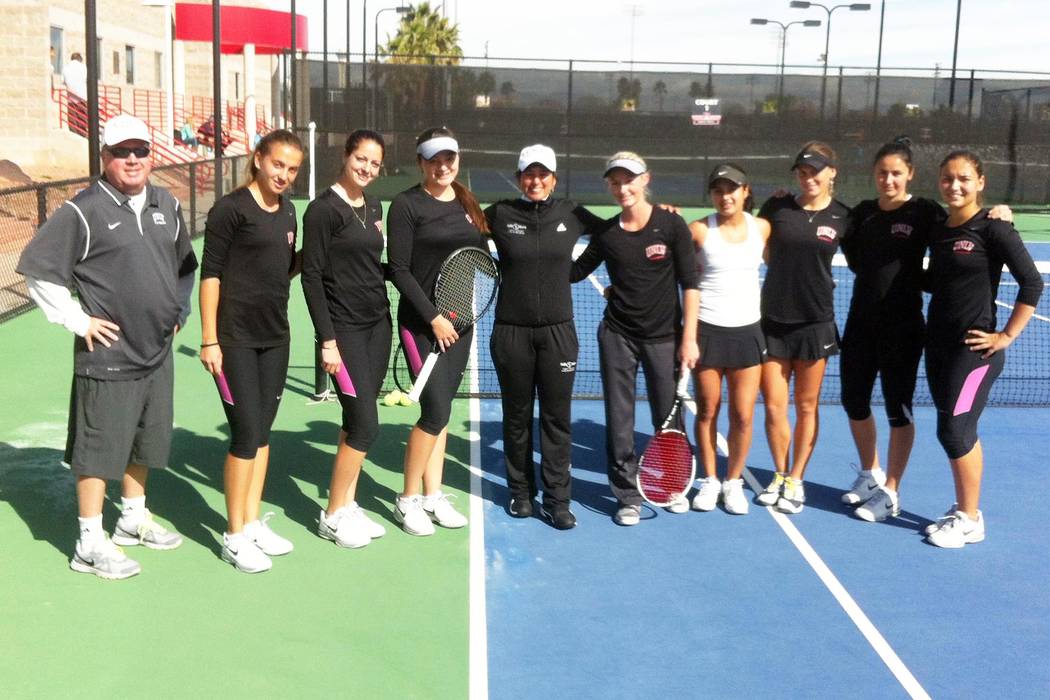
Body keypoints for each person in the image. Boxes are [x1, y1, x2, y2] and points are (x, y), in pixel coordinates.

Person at [17, 114, 197, 579]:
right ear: (105, 157)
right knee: (98, 449)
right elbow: (37, 269)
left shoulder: (167, 204)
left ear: (152, 155)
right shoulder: (84, 210)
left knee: (145, 438)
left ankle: (133, 519)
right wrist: (77, 320)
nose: (133, 159)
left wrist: (180, 311)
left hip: (156, 353)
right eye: (122, 152)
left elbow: (184, 267)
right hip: (109, 357)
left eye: (140, 150)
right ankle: (89, 542)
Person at [572, 152, 700, 526]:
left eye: (629, 179)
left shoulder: (672, 225)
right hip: (618, 337)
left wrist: (689, 338)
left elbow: (690, 283)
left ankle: (673, 484)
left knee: (668, 417)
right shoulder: (608, 234)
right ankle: (627, 496)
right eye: (615, 181)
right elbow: (577, 271)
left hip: (665, 338)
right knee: (620, 419)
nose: (622, 187)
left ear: (645, 179)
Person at [922, 150, 1041, 548]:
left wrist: (1005, 336)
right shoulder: (938, 229)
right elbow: (939, 283)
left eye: (963, 179)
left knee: (956, 431)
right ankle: (963, 508)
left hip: (974, 355)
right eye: (947, 179)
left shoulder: (994, 229)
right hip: (937, 347)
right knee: (953, 431)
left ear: (980, 183)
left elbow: (1032, 284)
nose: (954, 186)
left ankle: (971, 519)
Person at [199, 130, 304, 572]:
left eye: (292, 169)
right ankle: (234, 534)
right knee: (244, 436)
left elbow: (284, 268)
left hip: (276, 338)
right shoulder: (230, 209)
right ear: (259, 159)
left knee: (262, 433)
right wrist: (210, 339)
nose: (283, 174)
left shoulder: (290, 212)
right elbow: (211, 276)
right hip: (235, 340)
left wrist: (318, 254)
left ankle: (253, 519)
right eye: (278, 164)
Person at [484, 144, 603, 530]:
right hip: (511, 333)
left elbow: (613, 232)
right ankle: (520, 493)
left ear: (553, 178)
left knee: (556, 420)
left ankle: (557, 500)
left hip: (558, 335)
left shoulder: (571, 212)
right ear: (519, 178)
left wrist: (577, 270)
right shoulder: (500, 213)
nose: (535, 181)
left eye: (543, 174)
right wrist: (494, 268)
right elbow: (460, 231)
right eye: (528, 174)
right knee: (516, 418)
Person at [387, 126, 488, 536]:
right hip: (423, 326)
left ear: (457, 160)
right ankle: (407, 499)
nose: (443, 165)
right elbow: (399, 269)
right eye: (434, 159)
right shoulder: (407, 205)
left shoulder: (466, 200)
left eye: (449, 158)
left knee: (442, 413)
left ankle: (433, 495)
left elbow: (479, 254)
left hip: (461, 323)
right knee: (435, 411)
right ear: (421, 164)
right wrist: (432, 317)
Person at [301, 130, 390, 548]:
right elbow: (312, 277)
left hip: (378, 327)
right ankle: (332, 514)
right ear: (346, 156)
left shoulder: (374, 204)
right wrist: (328, 340)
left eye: (374, 163)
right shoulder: (323, 211)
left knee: (355, 421)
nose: (367, 168)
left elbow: (374, 263)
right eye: (362, 159)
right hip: (346, 332)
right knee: (366, 425)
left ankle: (349, 503)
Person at [755, 142, 851, 515]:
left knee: (807, 406)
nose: (808, 177)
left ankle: (796, 479)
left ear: (832, 173)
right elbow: (759, 246)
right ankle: (779, 473)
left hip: (815, 324)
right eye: (802, 171)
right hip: (773, 322)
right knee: (775, 407)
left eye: (816, 171)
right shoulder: (778, 207)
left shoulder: (844, 216)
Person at [688, 164, 770, 515]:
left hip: (748, 332)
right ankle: (709, 480)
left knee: (743, 415)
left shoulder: (762, 228)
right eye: (718, 191)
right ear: (711, 195)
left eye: (732, 189)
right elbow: (667, 263)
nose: (725, 197)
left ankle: (733, 481)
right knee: (707, 409)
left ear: (746, 191)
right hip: (707, 331)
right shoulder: (699, 231)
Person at [62, 52, 87, 136]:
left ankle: (73, 134)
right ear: (80, 59)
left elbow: (63, 81)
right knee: (82, 118)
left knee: (72, 118)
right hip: (82, 96)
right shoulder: (83, 67)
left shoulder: (66, 67)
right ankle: (83, 134)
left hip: (71, 96)